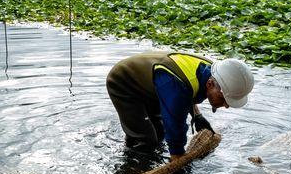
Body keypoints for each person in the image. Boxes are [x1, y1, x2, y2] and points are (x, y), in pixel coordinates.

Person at [106, 52, 253, 160]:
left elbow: (189, 91)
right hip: (125, 83)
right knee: (145, 139)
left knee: (160, 133)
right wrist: (178, 159)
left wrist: (197, 116)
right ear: (210, 84)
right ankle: (132, 169)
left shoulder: (213, 73)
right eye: (224, 99)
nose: (226, 106)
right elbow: (174, 123)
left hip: (155, 85)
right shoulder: (177, 87)